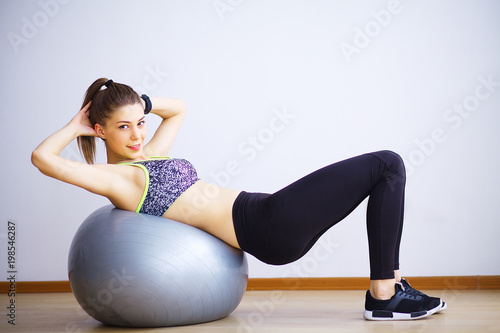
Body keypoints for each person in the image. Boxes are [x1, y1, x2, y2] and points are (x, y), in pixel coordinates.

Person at [32, 78, 446, 321]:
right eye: (124, 127)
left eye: (140, 123)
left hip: (263, 212)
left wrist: (143, 104)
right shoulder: (117, 179)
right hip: (265, 224)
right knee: (387, 164)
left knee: (385, 170)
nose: (138, 134)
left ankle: (389, 287)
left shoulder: (146, 156)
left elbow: (179, 110)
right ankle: (384, 294)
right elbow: (43, 159)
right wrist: (75, 125)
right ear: (102, 132)